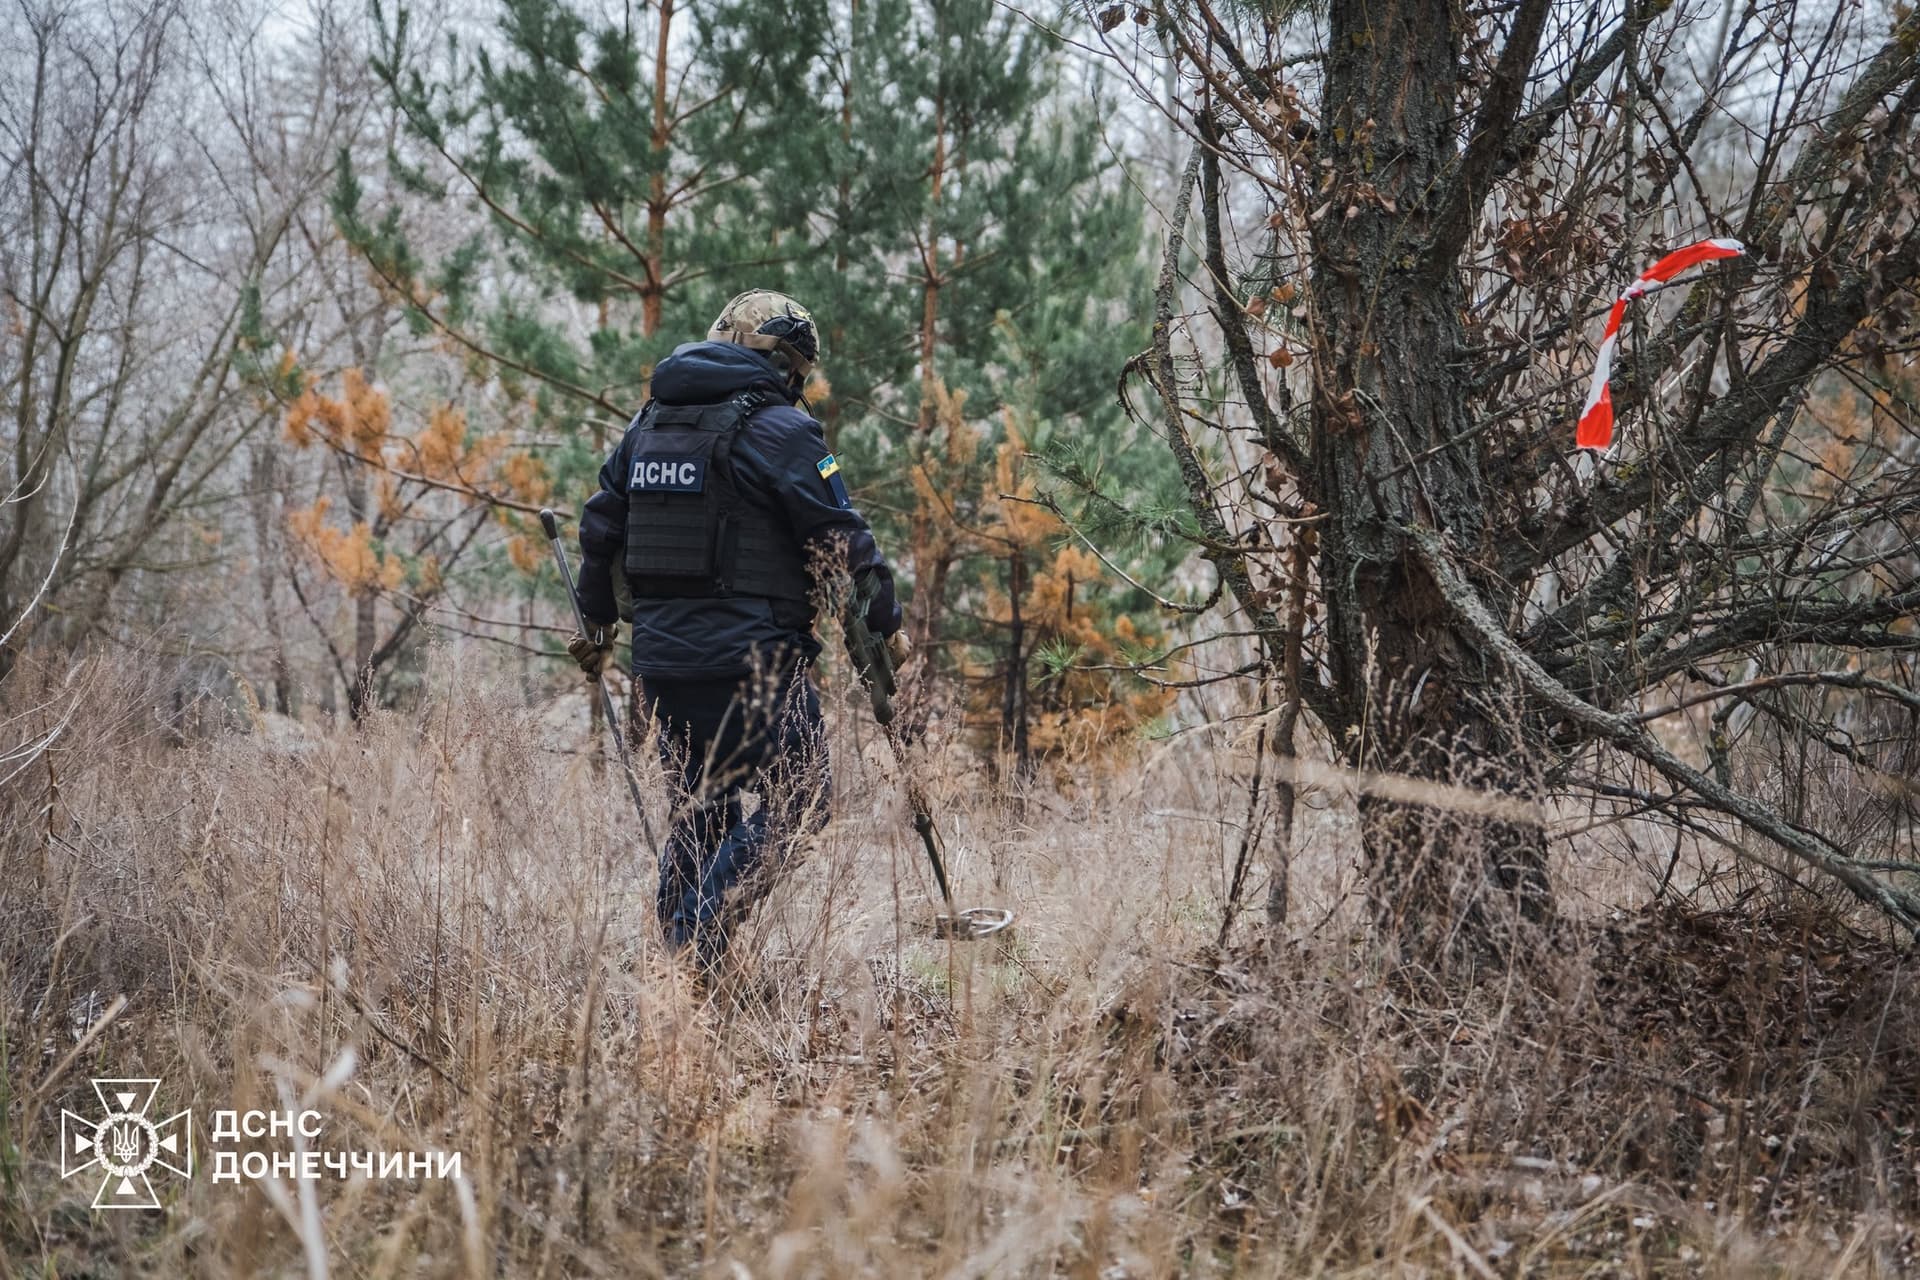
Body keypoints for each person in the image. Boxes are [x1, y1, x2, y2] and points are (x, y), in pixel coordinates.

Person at [567, 290, 907, 969]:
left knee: (701, 809)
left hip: (663, 663)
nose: (799, 386)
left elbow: (601, 529)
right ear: (780, 359)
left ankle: (681, 973)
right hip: (755, 662)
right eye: (799, 373)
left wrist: (598, 624)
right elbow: (843, 542)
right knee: (804, 805)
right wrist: (885, 634)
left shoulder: (648, 424)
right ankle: (697, 941)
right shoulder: (782, 430)